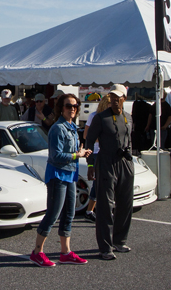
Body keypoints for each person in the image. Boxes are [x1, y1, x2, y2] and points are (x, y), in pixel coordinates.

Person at [30, 94, 92, 267]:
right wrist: (76, 155)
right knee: (53, 214)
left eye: (75, 105)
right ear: (61, 108)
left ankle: (65, 252)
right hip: (57, 175)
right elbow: (56, 156)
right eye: (68, 106)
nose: (72, 109)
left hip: (70, 174)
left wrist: (81, 152)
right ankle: (37, 252)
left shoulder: (72, 127)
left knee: (69, 214)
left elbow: (71, 153)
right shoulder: (58, 128)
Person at [84, 84, 135, 260]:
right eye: (112, 97)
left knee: (125, 204)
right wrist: (91, 165)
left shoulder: (128, 117)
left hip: (125, 163)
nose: (114, 100)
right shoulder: (100, 118)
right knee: (105, 205)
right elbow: (89, 142)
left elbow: (128, 139)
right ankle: (105, 247)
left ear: (124, 99)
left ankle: (120, 241)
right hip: (105, 163)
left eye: (118, 97)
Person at [82, 94, 111, 223]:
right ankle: (89, 211)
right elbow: (86, 135)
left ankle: (99, 210)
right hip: (96, 152)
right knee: (97, 182)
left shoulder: (111, 116)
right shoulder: (94, 116)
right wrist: (102, 138)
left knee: (106, 182)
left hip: (108, 153)